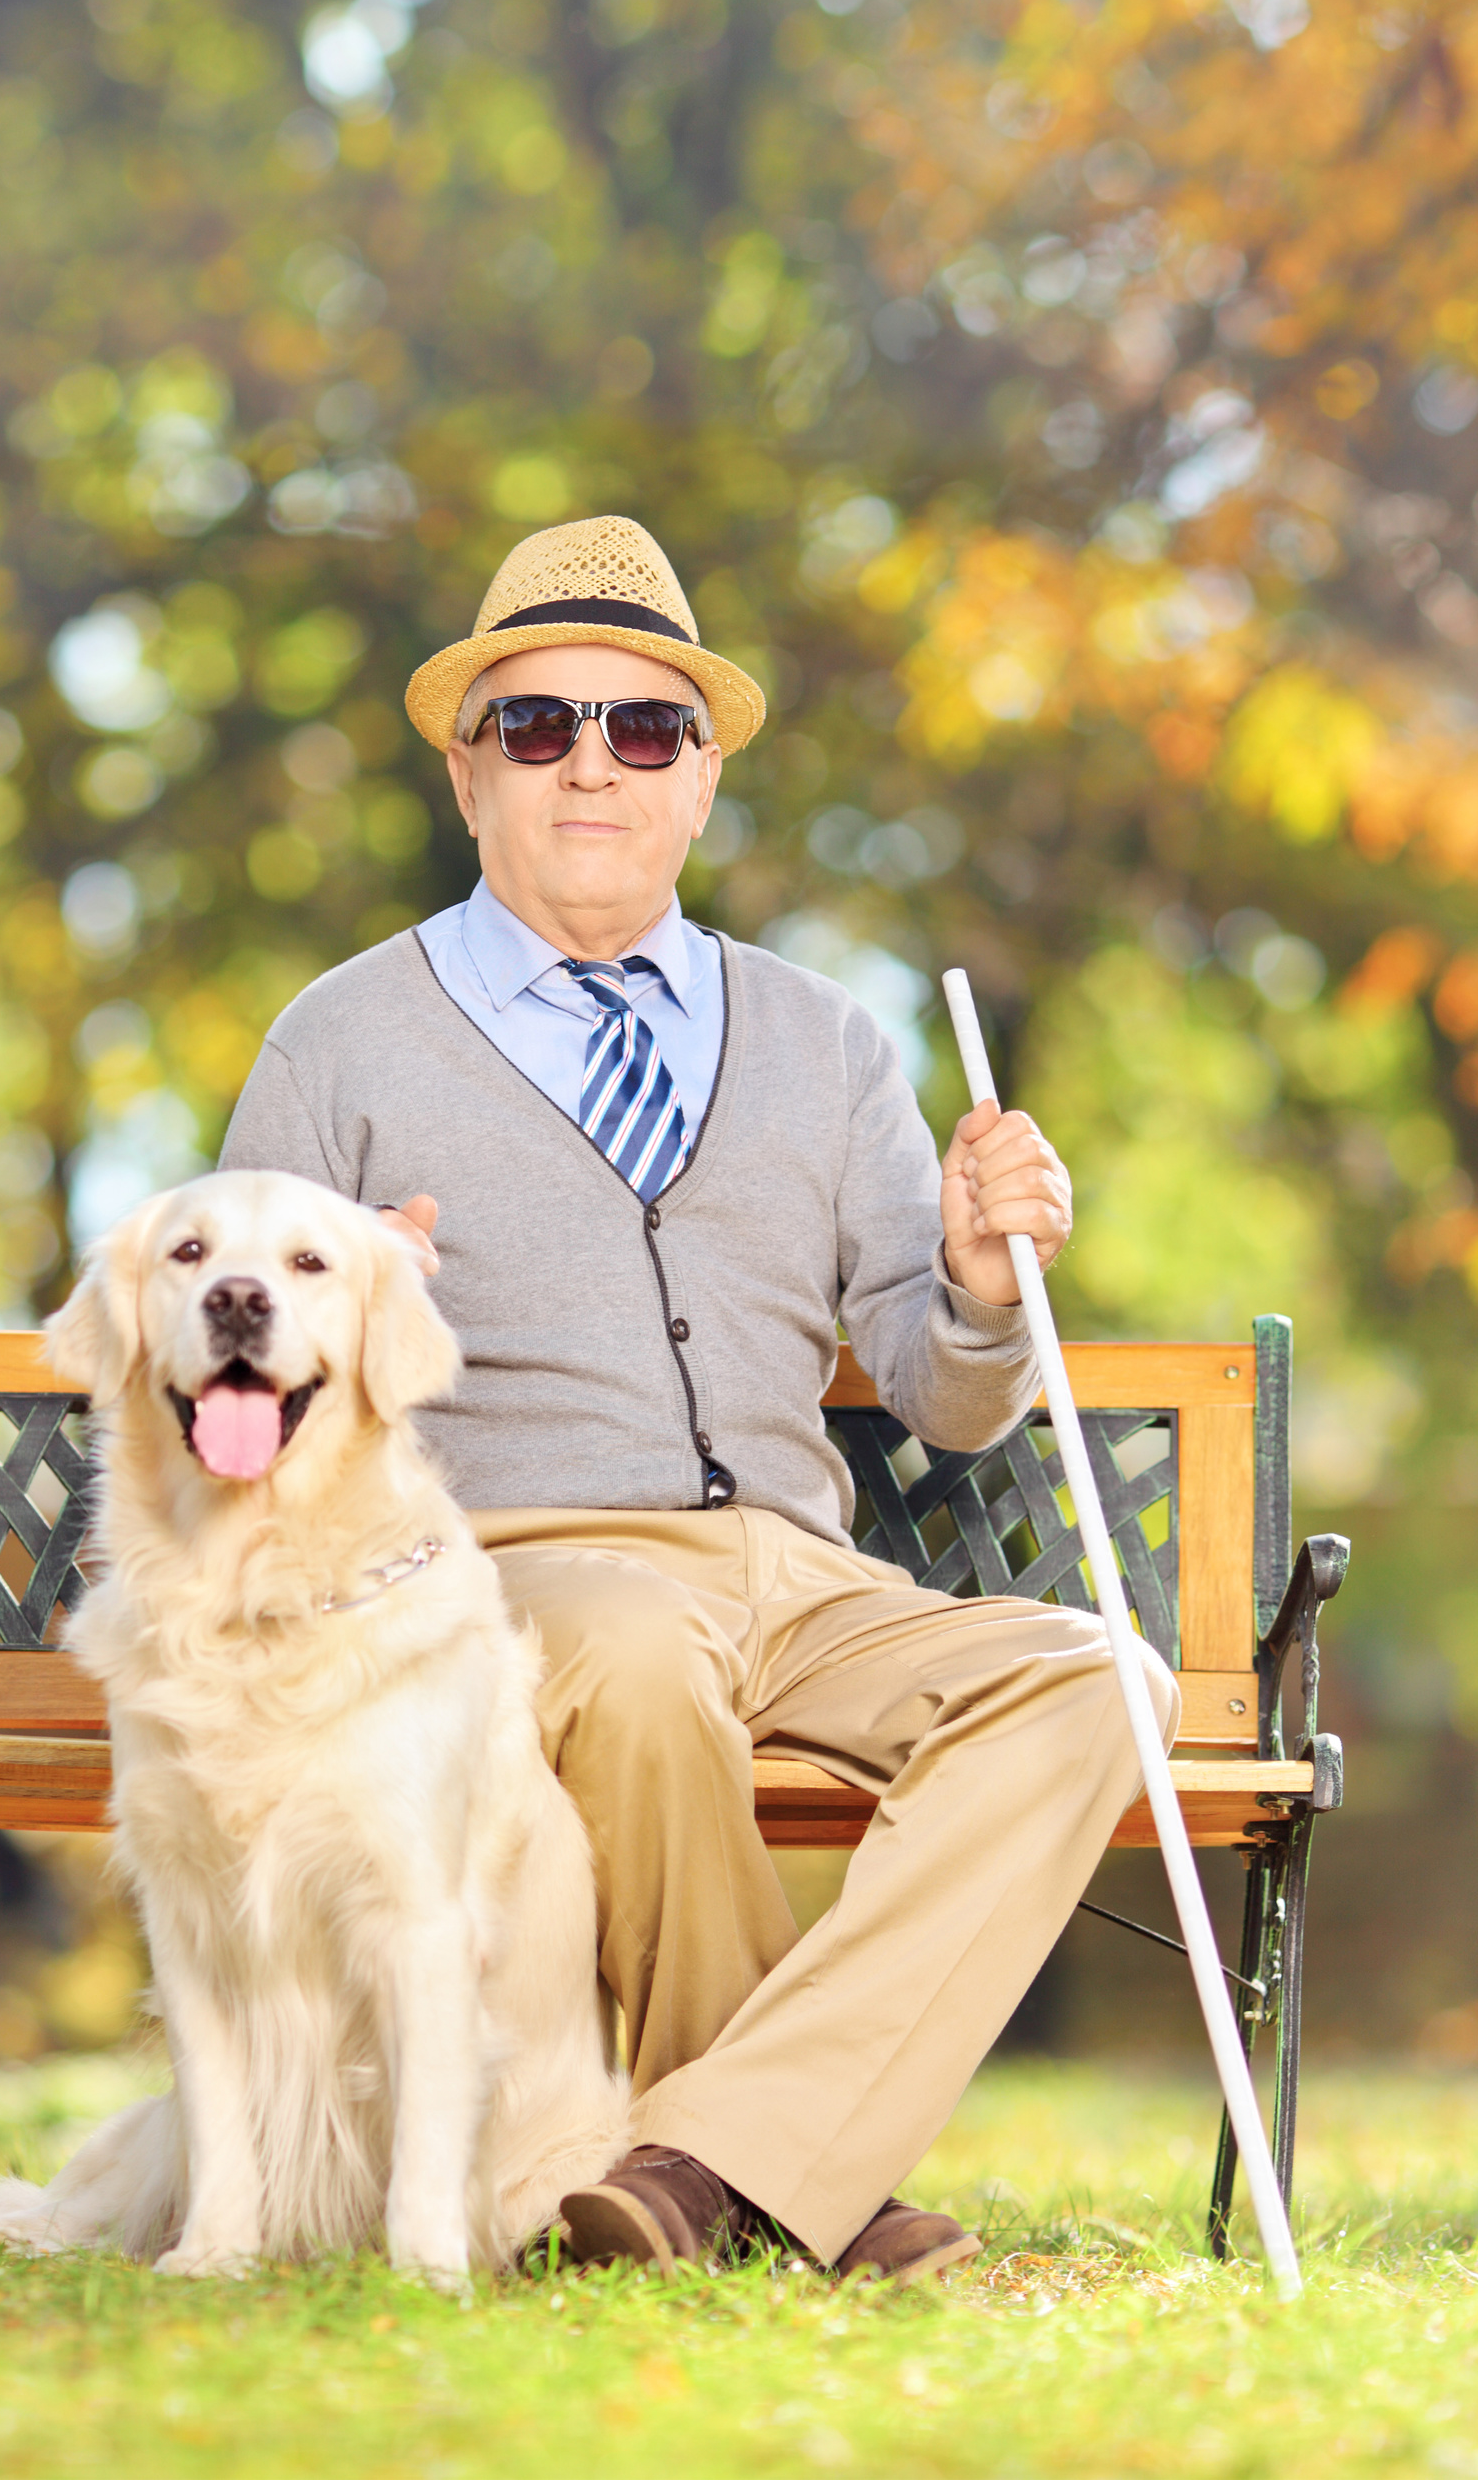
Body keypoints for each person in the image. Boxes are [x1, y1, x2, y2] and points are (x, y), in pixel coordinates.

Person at [219, 515, 1176, 2283]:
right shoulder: (340, 1039)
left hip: (802, 1577)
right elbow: (231, 1392)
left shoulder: (829, 1040)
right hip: (507, 1564)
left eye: (642, 729)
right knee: (643, 1656)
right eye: (540, 726)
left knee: (1097, 1679)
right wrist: (342, 1324)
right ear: (469, 772)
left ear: (703, 775)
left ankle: (715, 2167)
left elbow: (948, 1401)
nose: (593, 763)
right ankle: (805, 2183)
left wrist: (972, 1278)